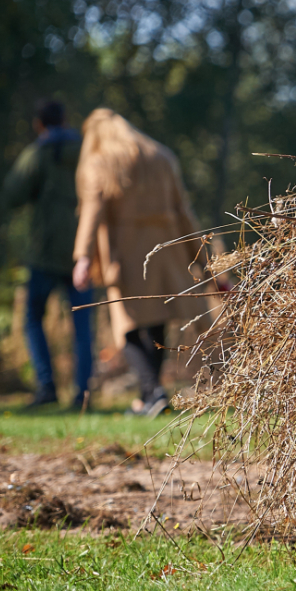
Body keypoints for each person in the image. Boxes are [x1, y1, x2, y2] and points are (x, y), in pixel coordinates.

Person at [72, 109, 213, 418]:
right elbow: (184, 211)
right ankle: (152, 396)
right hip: (168, 251)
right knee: (157, 320)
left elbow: (92, 211)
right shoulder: (162, 156)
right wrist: (203, 258)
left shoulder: (101, 161)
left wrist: (83, 257)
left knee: (130, 328)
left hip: (128, 254)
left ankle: (153, 393)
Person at [3, 99, 95, 410]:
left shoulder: (37, 153)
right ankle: (82, 394)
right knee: (83, 326)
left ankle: (46, 386)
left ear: (39, 123)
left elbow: (12, 194)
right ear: (66, 120)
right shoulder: (86, 151)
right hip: (82, 252)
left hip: (44, 253)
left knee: (32, 318)